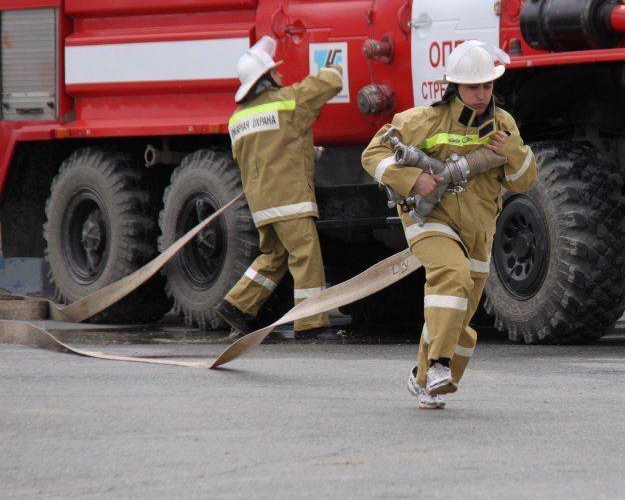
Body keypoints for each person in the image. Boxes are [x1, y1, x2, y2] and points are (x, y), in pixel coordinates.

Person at [361, 41, 537, 409]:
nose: (481, 94)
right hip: (430, 219)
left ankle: (424, 380)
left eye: (487, 86)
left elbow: (524, 181)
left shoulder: (503, 125)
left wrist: (513, 151)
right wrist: (412, 180)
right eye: (473, 87)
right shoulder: (423, 120)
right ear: (454, 86)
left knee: (458, 313)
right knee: (451, 274)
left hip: (478, 228)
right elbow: (372, 154)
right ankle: (440, 366)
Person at [213, 36, 343, 340]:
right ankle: (311, 323)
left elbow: (260, 152)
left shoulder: (237, 119)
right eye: (275, 72)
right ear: (266, 78)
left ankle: (236, 306)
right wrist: (336, 64)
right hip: (290, 199)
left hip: (261, 204)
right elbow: (329, 82)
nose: (280, 76)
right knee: (305, 255)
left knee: (274, 257)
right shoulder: (288, 101)